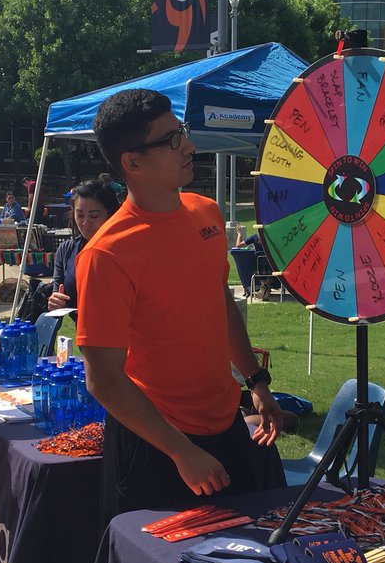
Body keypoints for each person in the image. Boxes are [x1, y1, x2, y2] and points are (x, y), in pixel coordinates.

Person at [76, 89, 284, 525]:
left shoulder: (206, 213)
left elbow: (220, 302)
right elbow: (104, 379)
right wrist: (180, 451)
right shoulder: (106, 254)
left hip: (225, 425)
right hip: (155, 446)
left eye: (183, 133)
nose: (188, 146)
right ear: (132, 163)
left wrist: (257, 383)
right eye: (171, 140)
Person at [47, 175, 121, 318]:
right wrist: (56, 302)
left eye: (94, 216)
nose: (86, 223)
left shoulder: (122, 250)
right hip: (84, 334)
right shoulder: (66, 250)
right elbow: (58, 298)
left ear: (110, 214)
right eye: (80, 215)